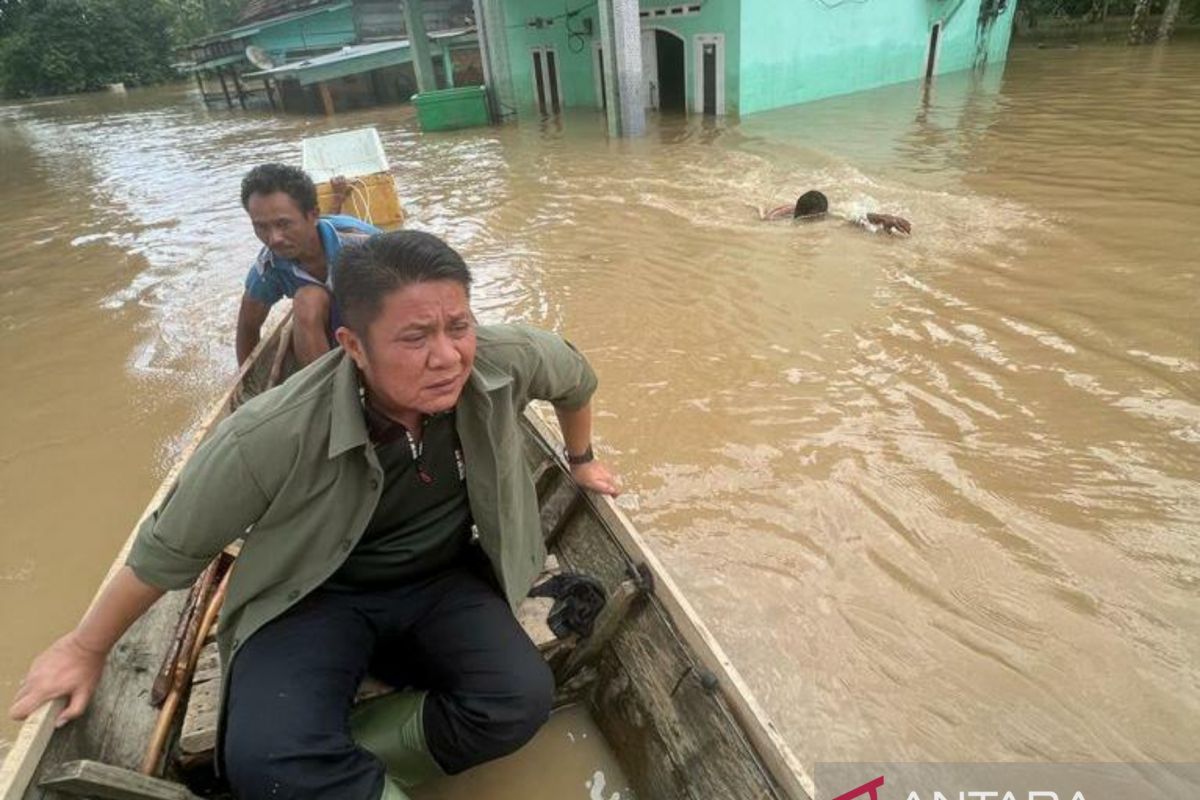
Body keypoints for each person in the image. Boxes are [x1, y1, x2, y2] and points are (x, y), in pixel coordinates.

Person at [10, 230, 621, 800]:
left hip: (440, 581)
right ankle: (313, 765)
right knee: (266, 766)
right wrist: (85, 647)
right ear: (353, 345)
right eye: (414, 338)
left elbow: (576, 378)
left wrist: (582, 460)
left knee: (519, 701)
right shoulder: (268, 435)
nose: (447, 357)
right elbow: (168, 552)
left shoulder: (500, 358)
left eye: (457, 326)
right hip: (312, 596)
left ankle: (333, 760)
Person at [237, 164, 380, 366]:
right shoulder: (269, 267)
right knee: (308, 299)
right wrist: (249, 391)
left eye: (283, 224)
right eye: (261, 227)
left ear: (313, 215)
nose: (274, 239)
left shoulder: (363, 243)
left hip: (372, 322)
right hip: (327, 332)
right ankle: (325, 391)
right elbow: (248, 326)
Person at [760, 189, 912, 234]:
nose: (822, 218)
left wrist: (883, 218)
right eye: (818, 216)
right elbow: (765, 220)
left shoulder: (822, 214)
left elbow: (851, 219)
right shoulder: (775, 218)